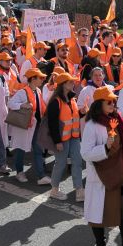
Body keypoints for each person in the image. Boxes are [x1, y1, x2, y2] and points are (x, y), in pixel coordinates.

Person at [79, 86, 123, 246]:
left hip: (121, 171)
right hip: (102, 175)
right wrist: (105, 147)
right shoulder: (91, 126)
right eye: (108, 101)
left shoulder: (118, 120)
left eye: (114, 101)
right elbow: (85, 154)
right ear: (98, 104)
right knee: (98, 211)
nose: (112, 104)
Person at [47, 73, 86, 201]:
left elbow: (72, 118)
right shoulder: (55, 101)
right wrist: (57, 141)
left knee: (77, 162)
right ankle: (54, 190)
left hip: (73, 137)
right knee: (61, 163)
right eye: (70, 82)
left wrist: (81, 113)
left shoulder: (72, 99)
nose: (73, 83)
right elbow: (52, 124)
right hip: (63, 139)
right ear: (63, 84)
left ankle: (79, 190)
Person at [7, 68, 47, 183]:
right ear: (33, 79)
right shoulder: (23, 92)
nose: (42, 79)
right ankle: (19, 173)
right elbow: (11, 103)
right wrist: (23, 106)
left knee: (38, 150)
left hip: (36, 125)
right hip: (26, 126)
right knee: (21, 149)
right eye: (40, 78)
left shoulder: (38, 91)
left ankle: (41, 176)